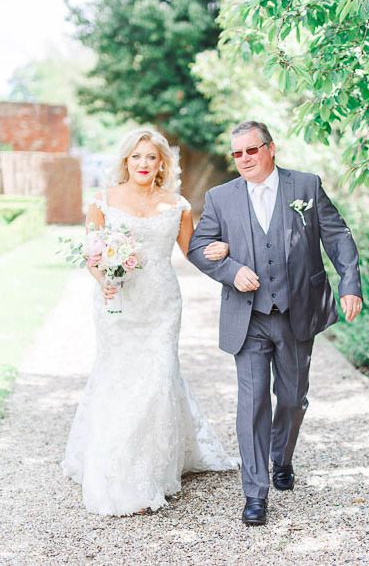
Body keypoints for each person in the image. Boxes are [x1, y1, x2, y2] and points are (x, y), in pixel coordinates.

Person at [188, 121, 362, 526]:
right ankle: (255, 492)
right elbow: (198, 247)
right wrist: (230, 271)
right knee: (251, 404)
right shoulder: (220, 197)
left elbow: (338, 237)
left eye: (252, 150)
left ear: (271, 148)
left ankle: (281, 457)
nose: (244, 159)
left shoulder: (306, 187)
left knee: (292, 398)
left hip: (296, 311)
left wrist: (349, 284)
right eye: (237, 153)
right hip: (247, 318)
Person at [62, 128, 238, 516]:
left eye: (151, 157)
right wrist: (105, 281)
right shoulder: (102, 202)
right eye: (136, 156)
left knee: (158, 379)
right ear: (126, 160)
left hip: (162, 304)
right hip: (118, 302)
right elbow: (93, 254)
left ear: (162, 164)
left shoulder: (177, 205)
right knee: (119, 377)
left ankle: (151, 471)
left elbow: (194, 252)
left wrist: (223, 250)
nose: (143, 164)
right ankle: (116, 465)